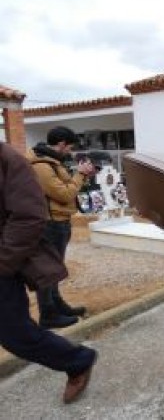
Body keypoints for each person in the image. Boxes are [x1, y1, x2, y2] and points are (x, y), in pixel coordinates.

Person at [0, 142, 97, 404]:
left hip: (15, 256)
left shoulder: (12, 161)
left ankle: (77, 360)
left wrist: (4, 263)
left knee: (15, 333)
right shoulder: (46, 165)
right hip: (55, 227)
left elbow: (52, 202)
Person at [26, 126, 95, 329]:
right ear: (62, 144)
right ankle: (47, 314)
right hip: (51, 224)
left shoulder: (53, 161)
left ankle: (57, 305)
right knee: (47, 270)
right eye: (70, 147)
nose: (70, 152)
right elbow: (64, 194)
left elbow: (66, 186)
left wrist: (81, 175)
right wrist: (80, 175)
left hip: (59, 221)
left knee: (54, 268)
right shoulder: (42, 166)